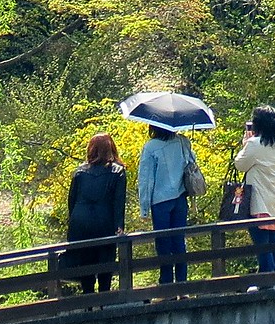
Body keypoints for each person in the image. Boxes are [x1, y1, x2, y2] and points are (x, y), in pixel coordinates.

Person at [64, 134, 128, 293]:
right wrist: (119, 226)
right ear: (111, 149)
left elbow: (72, 200)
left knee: (86, 266)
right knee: (106, 263)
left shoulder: (79, 172)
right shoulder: (117, 172)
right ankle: (104, 300)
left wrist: (72, 222)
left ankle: (89, 301)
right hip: (104, 221)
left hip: (80, 222)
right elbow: (118, 202)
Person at [136, 125, 195, 285]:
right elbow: (191, 163)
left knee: (163, 244)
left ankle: (166, 284)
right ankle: (182, 284)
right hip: (180, 197)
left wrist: (144, 208)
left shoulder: (150, 147)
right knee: (179, 241)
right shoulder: (183, 141)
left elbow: (146, 180)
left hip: (160, 201)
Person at [237, 106, 275, 276]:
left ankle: (266, 280)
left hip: (259, 201)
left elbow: (240, 164)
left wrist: (245, 144)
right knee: (274, 241)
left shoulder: (255, 144)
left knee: (262, 244)